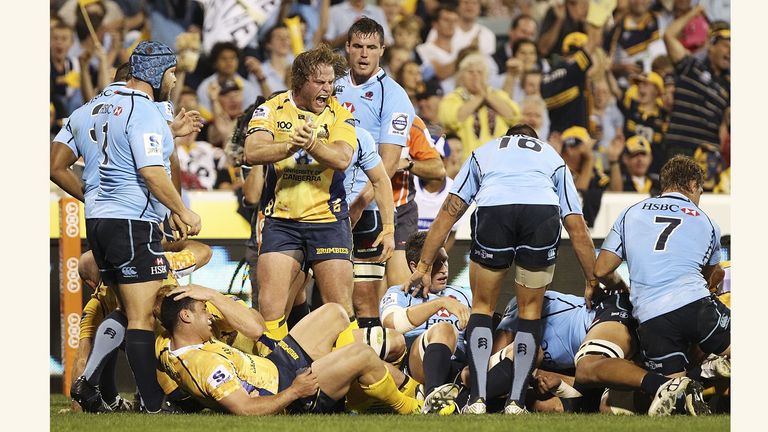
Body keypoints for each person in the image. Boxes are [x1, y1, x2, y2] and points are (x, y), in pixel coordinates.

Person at [407, 124, 598, 415]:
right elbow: (576, 226)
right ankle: (516, 403)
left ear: (506, 138)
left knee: (483, 307)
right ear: (533, 141)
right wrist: (591, 279)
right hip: (541, 212)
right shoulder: (551, 156)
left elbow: (449, 211)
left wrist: (422, 265)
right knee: (530, 313)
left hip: (495, 210)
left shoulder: (485, 152)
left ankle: (478, 400)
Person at [86, 40, 202, 413]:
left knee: (123, 310)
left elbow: (56, 163)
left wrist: (90, 198)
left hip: (104, 220)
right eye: (171, 72)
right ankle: (150, 402)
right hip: (133, 220)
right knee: (141, 314)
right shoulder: (143, 109)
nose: (173, 79)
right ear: (154, 75)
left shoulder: (92, 110)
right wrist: (181, 210)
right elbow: (153, 169)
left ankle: (93, 386)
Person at [157, 286, 427, 415]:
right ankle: (409, 406)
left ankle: (353, 395)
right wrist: (295, 391)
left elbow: (254, 327)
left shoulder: (168, 345)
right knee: (364, 354)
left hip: (276, 364)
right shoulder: (204, 365)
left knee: (334, 313)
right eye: (204, 311)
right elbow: (244, 409)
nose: (211, 317)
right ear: (186, 317)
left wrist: (212, 296)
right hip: (287, 390)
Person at [595, 155, 729, 415]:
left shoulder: (630, 212)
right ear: (692, 184)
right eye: (700, 191)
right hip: (694, 305)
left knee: (675, 391)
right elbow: (711, 277)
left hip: (650, 317)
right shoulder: (708, 222)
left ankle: (686, 386)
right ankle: (707, 368)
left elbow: (600, 269)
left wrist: (623, 287)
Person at [244, 44, 357, 342]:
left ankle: (351, 383)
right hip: (282, 222)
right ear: (300, 82)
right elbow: (252, 151)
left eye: (331, 82)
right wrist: (289, 146)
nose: (327, 89)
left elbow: (342, 158)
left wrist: (311, 144)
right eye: (320, 82)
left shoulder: (341, 114)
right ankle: (277, 377)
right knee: (269, 309)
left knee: (340, 309)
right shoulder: (271, 109)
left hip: (328, 221)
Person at [334, 17, 417, 324]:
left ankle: (369, 365)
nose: (364, 54)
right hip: (325, 203)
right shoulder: (332, 86)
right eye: (357, 46)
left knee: (364, 298)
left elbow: (389, 162)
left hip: (366, 209)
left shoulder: (393, 95)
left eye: (371, 47)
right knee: (320, 287)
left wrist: (359, 201)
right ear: (347, 48)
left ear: (382, 50)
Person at [379, 231, 471, 413]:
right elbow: (391, 324)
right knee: (445, 329)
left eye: (445, 261)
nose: (444, 269)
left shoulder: (464, 294)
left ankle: (470, 402)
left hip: (460, 367)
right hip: (419, 364)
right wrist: (439, 303)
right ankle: (432, 397)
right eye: (436, 263)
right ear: (415, 266)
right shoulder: (399, 293)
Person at [661, 6, 729, 161]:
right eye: (725, 46)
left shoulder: (729, 86)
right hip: (680, 149)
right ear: (711, 46)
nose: (730, 51)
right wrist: (695, 10)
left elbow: (724, 126)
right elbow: (668, 35)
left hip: (708, 156)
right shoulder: (691, 66)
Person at [344, 126, 396, 327]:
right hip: (315, 218)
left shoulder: (361, 133)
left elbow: (383, 177)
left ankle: (368, 354)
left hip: (366, 216)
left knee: (365, 303)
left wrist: (388, 228)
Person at [438, 52, 521, 163]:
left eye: (480, 72)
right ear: (462, 75)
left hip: (499, 159)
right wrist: (479, 97)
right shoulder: (453, 98)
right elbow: (453, 119)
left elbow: (512, 116)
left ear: (486, 76)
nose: (475, 76)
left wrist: (486, 95)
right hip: (466, 161)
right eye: (470, 72)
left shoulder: (497, 95)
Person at [541, 32, 593, 134]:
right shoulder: (569, 72)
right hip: (565, 139)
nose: (574, 59)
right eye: (571, 54)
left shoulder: (551, 74)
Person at [619, 72, 668, 175]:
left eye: (645, 84)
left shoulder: (664, 117)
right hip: (627, 171)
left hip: (655, 172)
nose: (640, 87)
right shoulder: (630, 108)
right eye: (638, 84)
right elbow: (615, 92)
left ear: (656, 90)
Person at [324, 0, 393, 48]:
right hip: (342, 64)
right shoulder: (334, 11)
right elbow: (327, 45)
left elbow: (389, 41)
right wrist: (350, 34)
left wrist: (370, 37)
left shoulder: (377, 12)